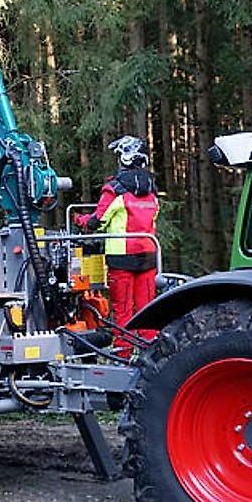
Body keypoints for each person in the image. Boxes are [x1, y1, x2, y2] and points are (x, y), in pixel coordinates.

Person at [74, 135, 159, 357]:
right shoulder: (151, 190)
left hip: (121, 257)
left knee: (123, 310)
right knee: (148, 307)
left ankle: (123, 354)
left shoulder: (115, 189)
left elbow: (97, 220)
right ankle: (150, 353)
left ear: (125, 159)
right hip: (149, 253)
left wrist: (79, 221)